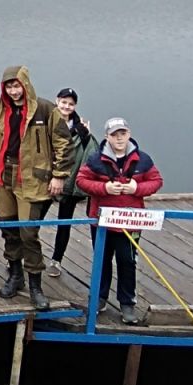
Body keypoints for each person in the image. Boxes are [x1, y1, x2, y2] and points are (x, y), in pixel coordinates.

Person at [0, 66, 73, 312]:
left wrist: (59, 175)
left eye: (16, 86)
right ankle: (15, 275)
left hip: (32, 180)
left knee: (28, 232)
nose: (13, 91)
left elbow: (64, 143)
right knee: (8, 228)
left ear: (25, 84)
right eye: (9, 87)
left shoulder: (45, 109)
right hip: (5, 176)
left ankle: (36, 285)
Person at [75, 118, 162, 326]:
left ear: (129, 134)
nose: (119, 138)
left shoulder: (143, 160)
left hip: (130, 224)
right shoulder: (96, 159)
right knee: (102, 261)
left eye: (122, 133)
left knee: (127, 262)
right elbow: (81, 180)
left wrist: (136, 189)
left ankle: (127, 303)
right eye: (114, 134)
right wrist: (104, 189)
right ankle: (99, 299)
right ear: (107, 137)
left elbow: (157, 181)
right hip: (102, 223)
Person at [46, 88, 95, 279]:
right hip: (45, 180)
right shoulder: (46, 121)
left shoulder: (81, 129)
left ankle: (56, 260)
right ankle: (23, 257)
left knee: (64, 223)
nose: (66, 106)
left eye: (71, 103)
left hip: (69, 183)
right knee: (34, 219)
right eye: (63, 102)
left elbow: (89, 154)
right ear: (56, 101)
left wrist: (86, 136)